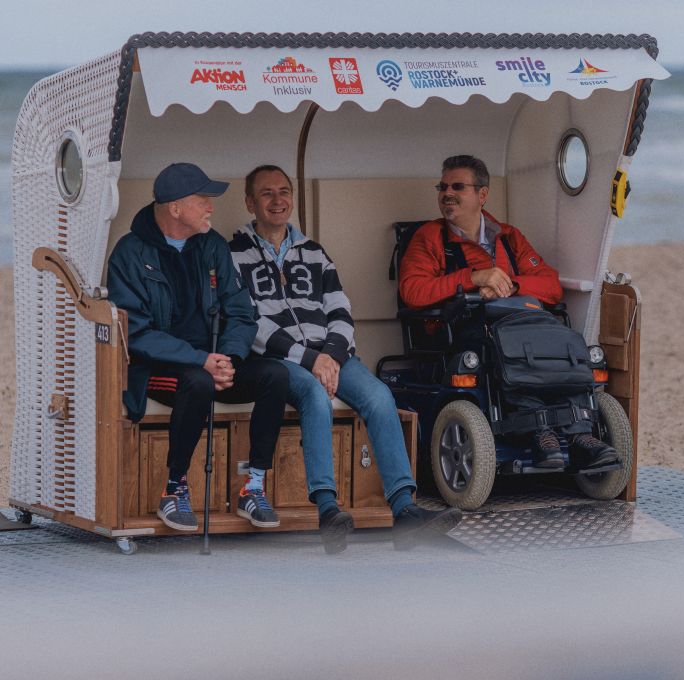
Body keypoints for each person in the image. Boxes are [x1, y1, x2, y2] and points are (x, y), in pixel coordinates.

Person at [230, 165, 461, 554]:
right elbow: (251, 323)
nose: (277, 200)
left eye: (284, 191)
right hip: (281, 359)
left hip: (331, 355)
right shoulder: (233, 253)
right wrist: (310, 360)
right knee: (315, 397)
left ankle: (404, 509)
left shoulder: (314, 252)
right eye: (267, 194)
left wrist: (331, 357)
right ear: (250, 202)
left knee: (379, 396)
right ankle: (327, 509)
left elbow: (340, 310)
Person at [399, 154, 619, 470]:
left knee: (561, 341)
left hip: (523, 320)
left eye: (458, 187)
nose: (447, 193)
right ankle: (540, 432)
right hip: (465, 327)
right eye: (443, 186)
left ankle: (581, 434)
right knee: (508, 347)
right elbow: (413, 291)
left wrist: (509, 284)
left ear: (482, 194)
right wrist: (473, 279)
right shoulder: (430, 238)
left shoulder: (508, 236)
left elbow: (551, 286)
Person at [107, 162, 288, 532]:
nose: (212, 207)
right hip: (160, 368)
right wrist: (200, 361)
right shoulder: (129, 253)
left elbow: (242, 312)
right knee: (198, 381)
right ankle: (174, 490)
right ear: (175, 209)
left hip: (215, 360)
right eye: (203, 199)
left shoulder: (212, 246)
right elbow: (137, 334)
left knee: (274, 374)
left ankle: (253, 486)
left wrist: (228, 359)